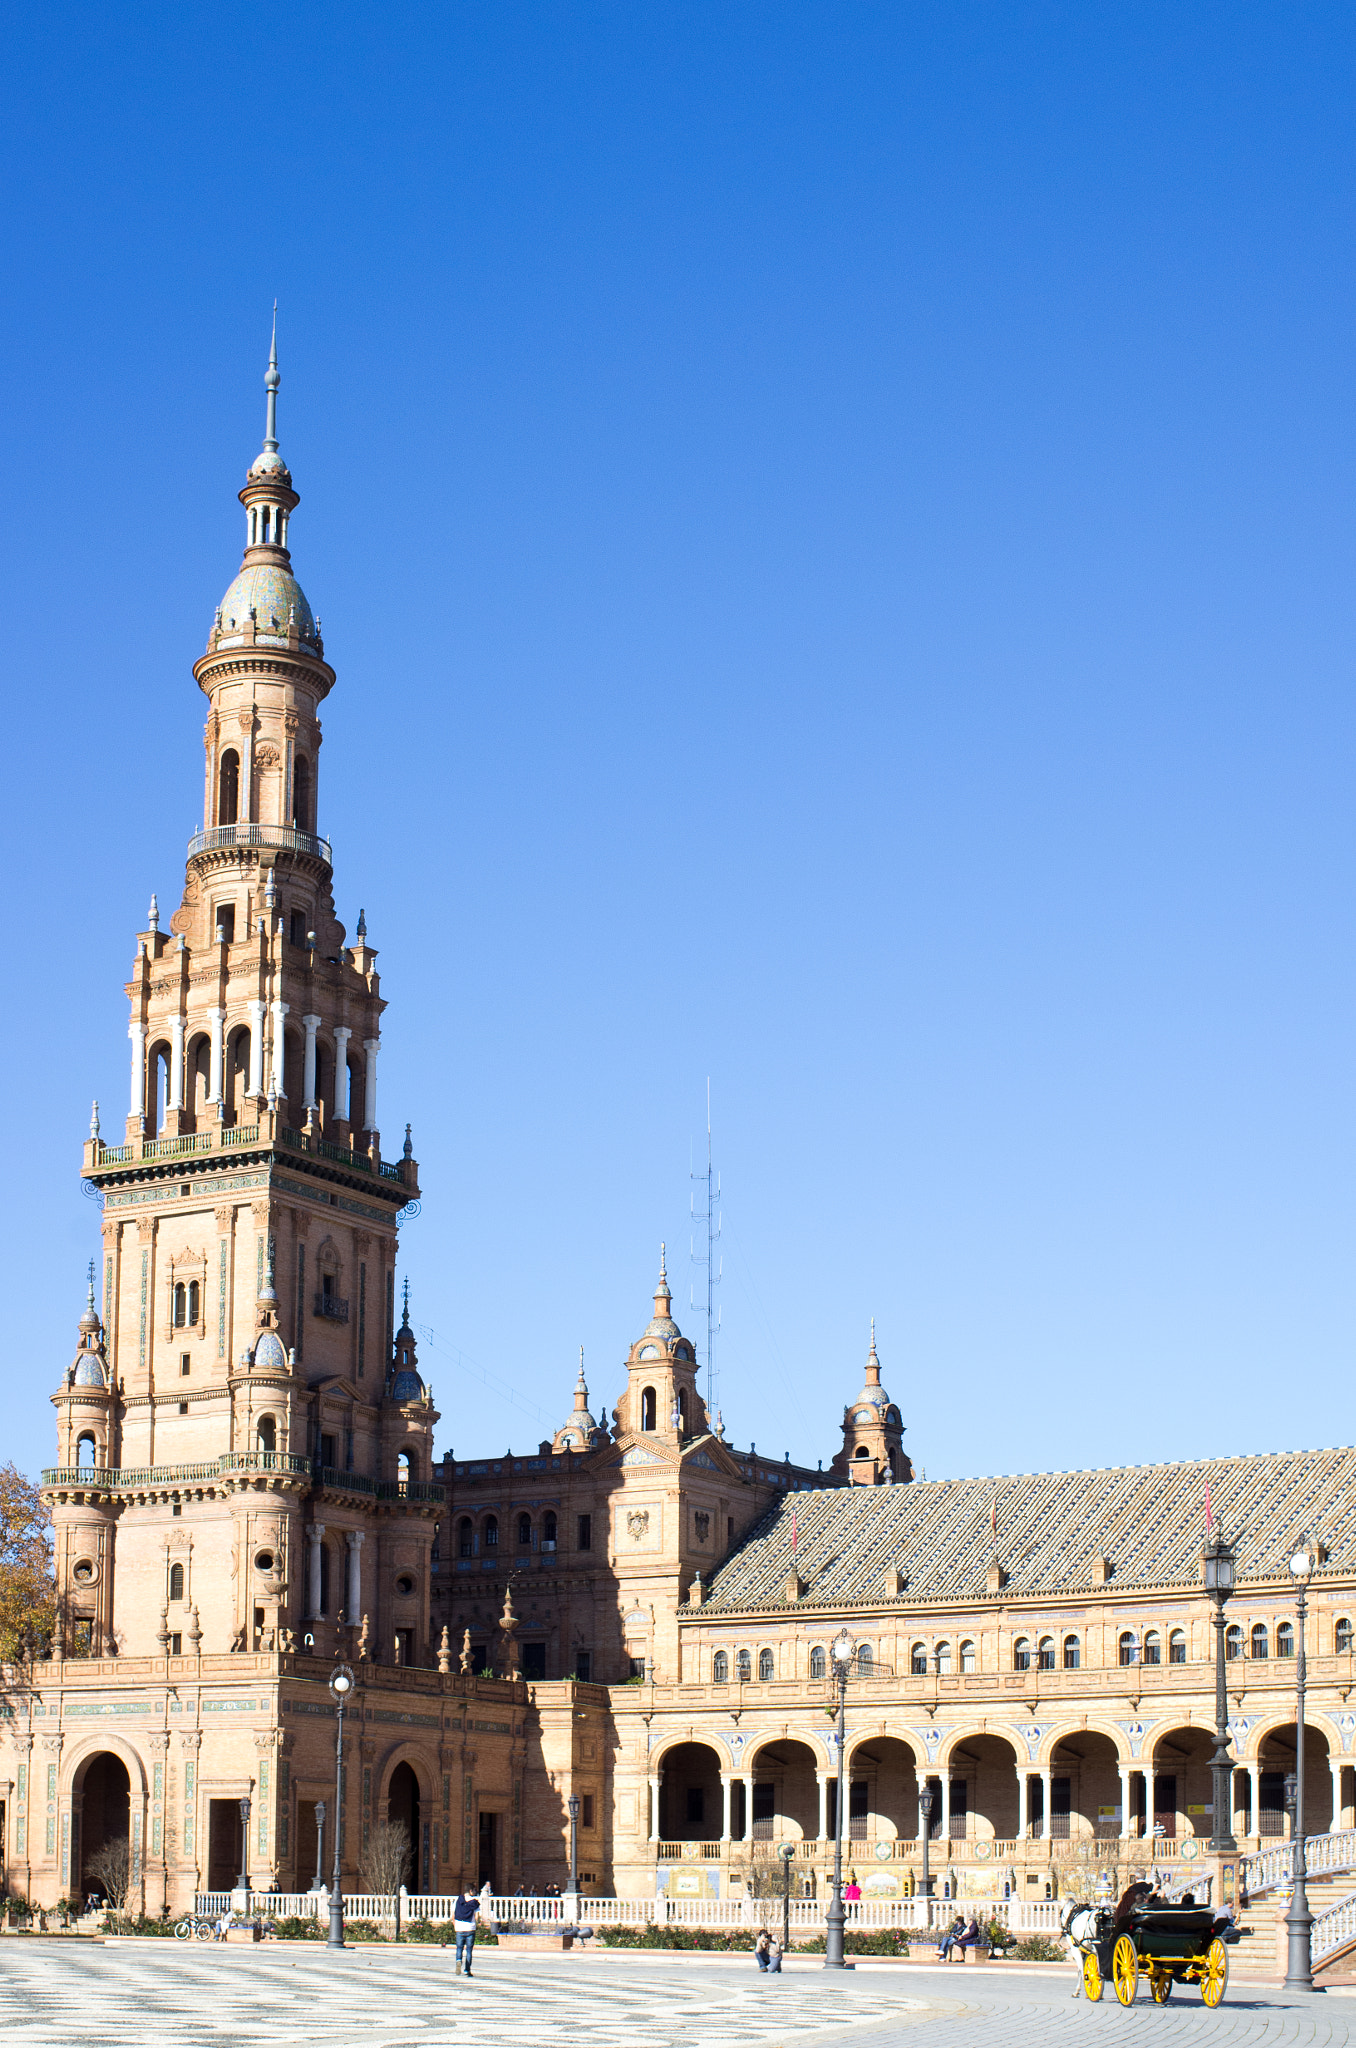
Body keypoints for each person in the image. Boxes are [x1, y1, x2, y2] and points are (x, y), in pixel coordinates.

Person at [453, 1886, 479, 1976]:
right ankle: (467, 1970)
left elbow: (453, 1915)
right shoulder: (474, 1902)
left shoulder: (458, 1901)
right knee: (469, 1950)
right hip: (470, 1928)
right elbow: (476, 1917)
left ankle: (458, 1961)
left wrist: (455, 1925)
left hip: (459, 1927)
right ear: (470, 1891)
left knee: (459, 1948)